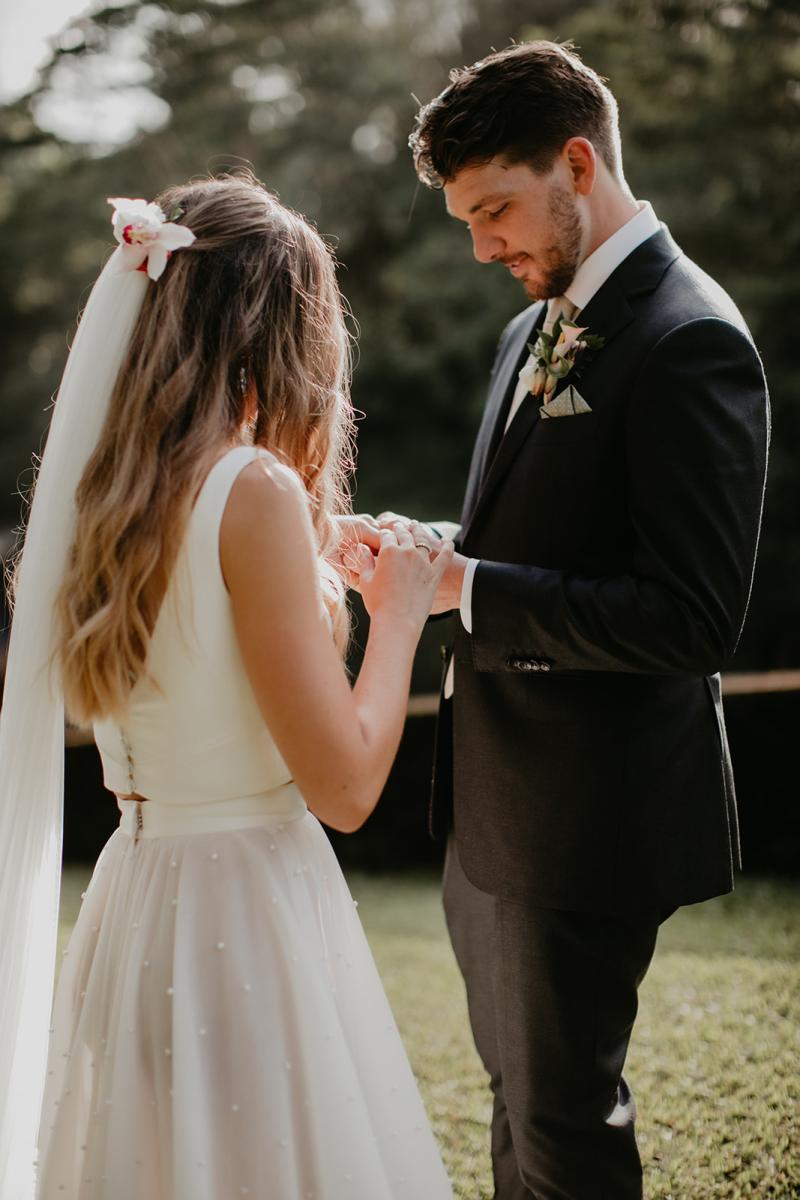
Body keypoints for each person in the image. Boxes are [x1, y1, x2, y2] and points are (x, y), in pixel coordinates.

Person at [348, 40, 770, 1200]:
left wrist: (466, 590)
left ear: (577, 163)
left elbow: (689, 619)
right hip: (494, 805)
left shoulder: (691, 338)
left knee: (561, 1123)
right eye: (466, 222)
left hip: (588, 816)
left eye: (495, 211)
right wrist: (425, 551)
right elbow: (534, 538)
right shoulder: (525, 331)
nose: (482, 247)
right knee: (512, 1105)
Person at [0, 173, 454, 1199]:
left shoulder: (97, 501)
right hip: (246, 912)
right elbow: (343, 791)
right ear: (277, 335)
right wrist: (397, 616)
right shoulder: (250, 492)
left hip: (135, 899)